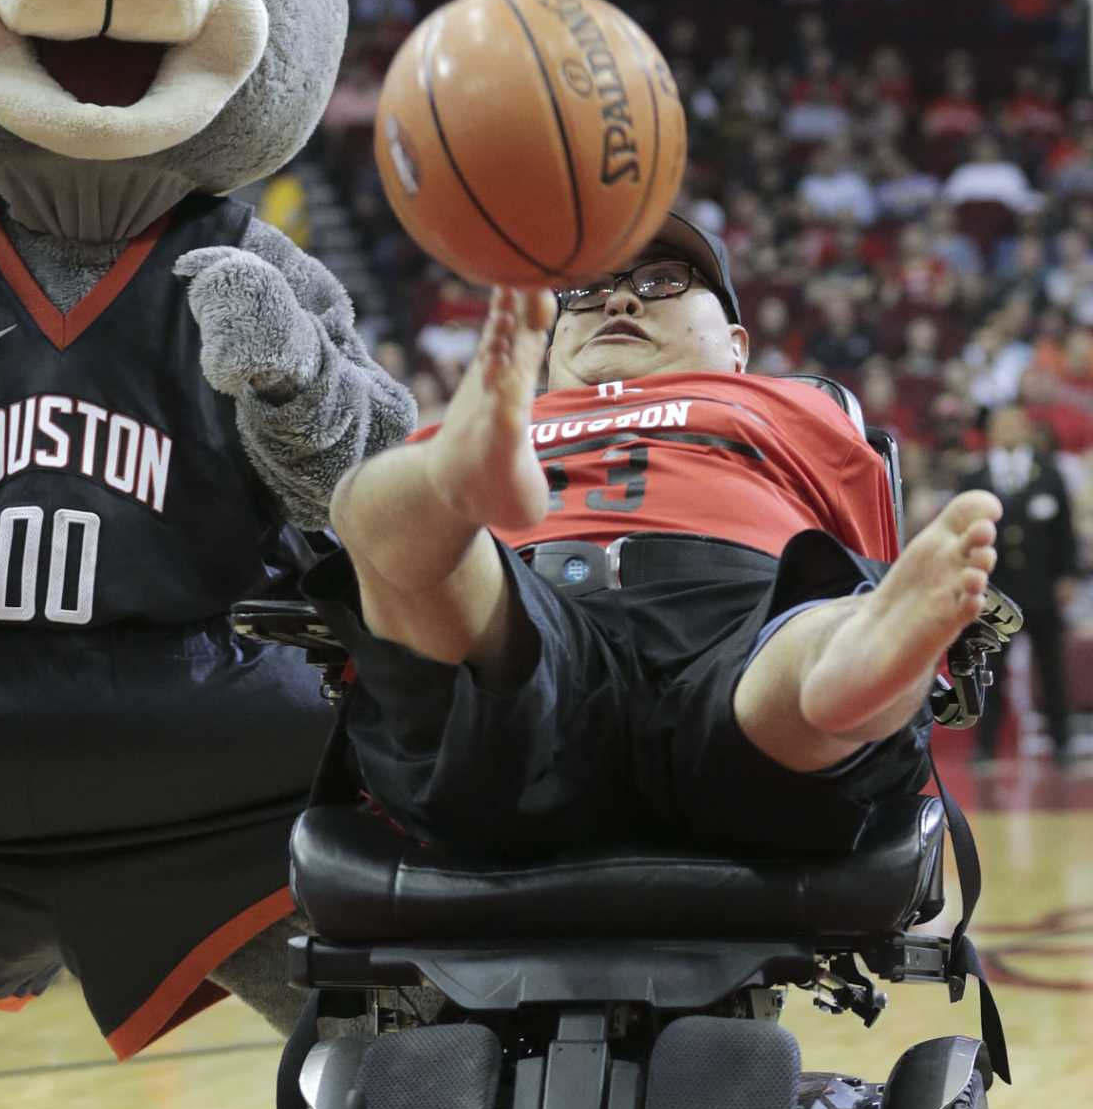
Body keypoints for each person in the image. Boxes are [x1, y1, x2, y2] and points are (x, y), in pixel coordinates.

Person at [305, 214, 1003, 865]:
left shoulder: (798, 408)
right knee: (388, 513)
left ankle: (843, 672)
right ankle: (837, 677)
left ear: (737, 348)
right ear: (548, 350)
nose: (620, 302)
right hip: (517, 633)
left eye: (661, 283)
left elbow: (851, 545)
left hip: (737, 614)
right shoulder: (489, 430)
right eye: (585, 292)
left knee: (817, 618)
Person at [963, 406, 1079, 770]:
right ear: (991, 432)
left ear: (1028, 429)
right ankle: (985, 747)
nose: (1009, 431)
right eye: (1002, 424)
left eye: (1016, 424)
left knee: (1052, 670)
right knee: (989, 670)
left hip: (1042, 588)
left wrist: (1066, 575)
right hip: (994, 592)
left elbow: (1065, 530)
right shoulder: (976, 477)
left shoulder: (1049, 473)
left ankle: (1062, 743)